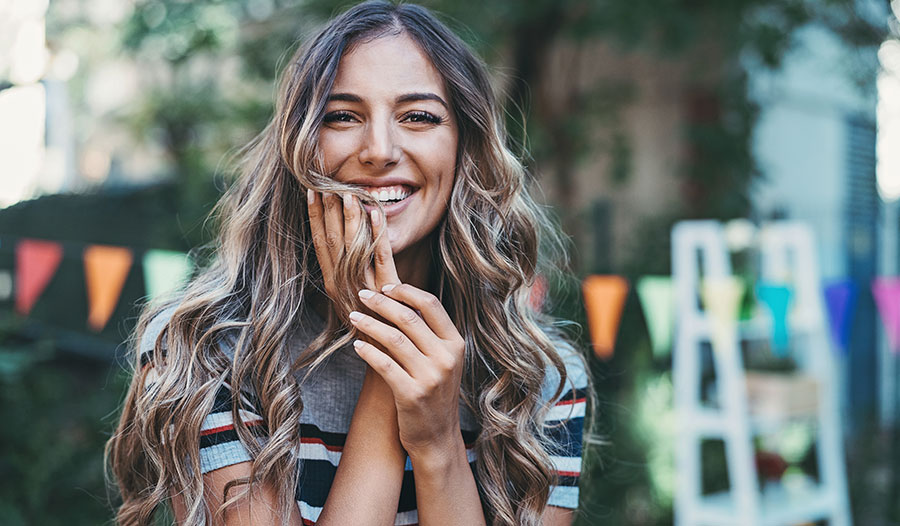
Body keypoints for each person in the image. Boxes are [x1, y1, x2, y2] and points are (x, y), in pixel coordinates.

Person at [107, 2, 590, 525]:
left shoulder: (538, 379)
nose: (379, 150)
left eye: (418, 116)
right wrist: (386, 355)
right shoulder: (205, 352)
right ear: (301, 147)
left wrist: (438, 444)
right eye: (342, 116)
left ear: (464, 148)